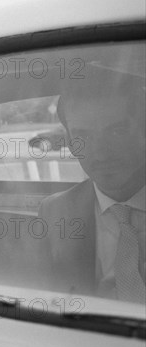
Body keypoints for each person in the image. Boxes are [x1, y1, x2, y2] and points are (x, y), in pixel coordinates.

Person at [38, 69, 145, 303]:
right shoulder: (55, 212)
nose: (100, 153)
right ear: (69, 143)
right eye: (82, 137)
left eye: (117, 131)